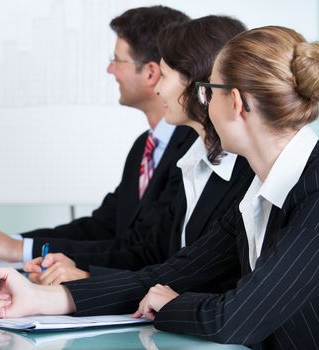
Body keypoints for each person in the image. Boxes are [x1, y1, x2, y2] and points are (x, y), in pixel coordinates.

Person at [0, 25, 319, 348]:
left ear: (235, 102)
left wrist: (171, 304)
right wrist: (42, 299)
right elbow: (172, 273)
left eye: (207, 91)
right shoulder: (260, 191)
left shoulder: (317, 193)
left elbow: (234, 317)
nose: (204, 104)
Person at [23, 15, 251, 286]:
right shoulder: (194, 159)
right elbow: (156, 254)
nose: (159, 89)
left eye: (164, 76)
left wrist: (86, 280)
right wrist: (76, 271)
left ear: (198, 86)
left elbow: (193, 277)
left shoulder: (246, 172)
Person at [0, 6, 194, 263]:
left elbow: (144, 249)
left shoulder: (193, 149)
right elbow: (101, 227)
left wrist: (19, 248)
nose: (110, 70)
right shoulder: (144, 148)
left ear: (150, 72)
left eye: (116, 60)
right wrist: (10, 241)